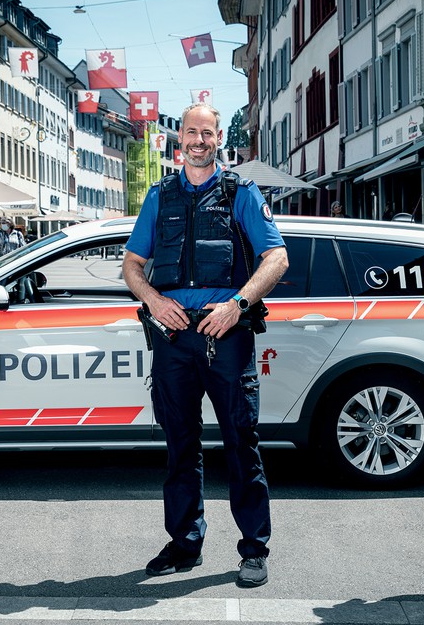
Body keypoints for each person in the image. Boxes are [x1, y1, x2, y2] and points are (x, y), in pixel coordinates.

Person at [122, 103, 289, 589]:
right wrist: (152, 299)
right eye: (191, 132)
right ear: (180, 140)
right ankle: (184, 543)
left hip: (226, 336)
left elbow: (275, 257)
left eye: (207, 132)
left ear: (219, 138)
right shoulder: (160, 196)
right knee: (181, 445)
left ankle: (254, 548)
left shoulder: (241, 192)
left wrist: (237, 304)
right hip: (173, 337)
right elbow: (133, 264)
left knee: (242, 443)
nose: (199, 140)